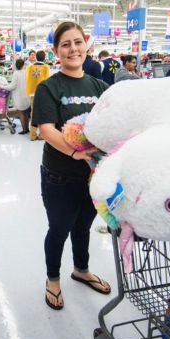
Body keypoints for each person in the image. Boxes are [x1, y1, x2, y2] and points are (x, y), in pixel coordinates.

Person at [30, 21, 112, 311]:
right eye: (65, 44)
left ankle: (81, 269)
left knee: (84, 227)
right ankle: (53, 279)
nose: (73, 49)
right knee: (59, 228)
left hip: (93, 175)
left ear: (86, 46)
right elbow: (46, 129)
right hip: (60, 175)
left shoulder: (100, 86)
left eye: (77, 42)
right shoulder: (49, 87)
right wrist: (75, 154)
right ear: (56, 51)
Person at [0, 58, 30, 135]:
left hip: (19, 96)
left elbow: (12, 86)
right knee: (26, 113)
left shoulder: (16, 73)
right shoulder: (27, 72)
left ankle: (24, 129)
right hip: (27, 95)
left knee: (21, 113)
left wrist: (1, 86)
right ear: (23, 65)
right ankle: (28, 129)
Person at [25, 50, 50, 141]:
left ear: (36, 57)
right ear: (44, 57)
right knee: (42, 114)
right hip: (43, 93)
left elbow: (27, 80)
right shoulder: (46, 67)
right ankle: (41, 135)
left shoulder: (30, 67)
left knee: (33, 113)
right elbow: (48, 81)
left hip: (32, 93)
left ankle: (32, 135)